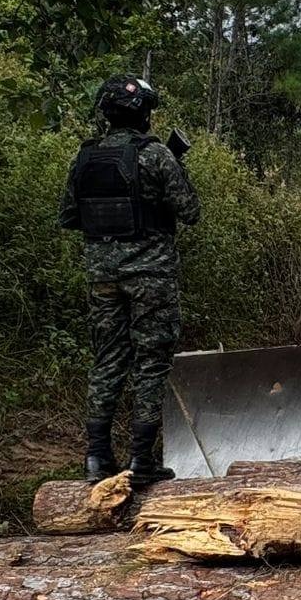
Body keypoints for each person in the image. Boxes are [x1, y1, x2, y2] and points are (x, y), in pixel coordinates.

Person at [59, 73, 200, 485]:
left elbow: (69, 216)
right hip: (150, 276)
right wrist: (175, 172)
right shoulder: (157, 155)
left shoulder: (85, 157)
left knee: (107, 361)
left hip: (102, 278)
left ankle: (97, 458)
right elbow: (190, 211)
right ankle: (142, 460)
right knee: (151, 362)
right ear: (143, 114)